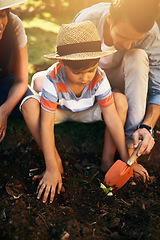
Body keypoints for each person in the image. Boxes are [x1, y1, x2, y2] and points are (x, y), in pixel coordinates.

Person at [21, 21, 129, 203]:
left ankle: (107, 161)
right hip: (59, 112)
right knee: (28, 105)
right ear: (62, 63)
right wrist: (51, 167)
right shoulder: (52, 78)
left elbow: (111, 116)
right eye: (77, 72)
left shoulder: (99, 77)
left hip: (88, 111)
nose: (85, 78)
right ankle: (55, 163)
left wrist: (127, 159)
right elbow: (46, 124)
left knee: (120, 101)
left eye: (90, 70)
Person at [72, 0, 160, 181]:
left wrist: (147, 125)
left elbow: (157, 88)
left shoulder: (150, 33)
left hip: (122, 80)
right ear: (110, 19)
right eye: (123, 36)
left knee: (137, 55)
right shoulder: (86, 21)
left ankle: (130, 145)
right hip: (88, 84)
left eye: (134, 39)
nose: (128, 45)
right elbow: (70, 67)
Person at [0, 0, 34, 143]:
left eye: (2, 15)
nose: (0, 24)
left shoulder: (14, 25)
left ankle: (53, 160)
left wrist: (4, 111)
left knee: (31, 102)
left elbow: (21, 81)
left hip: (6, 82)